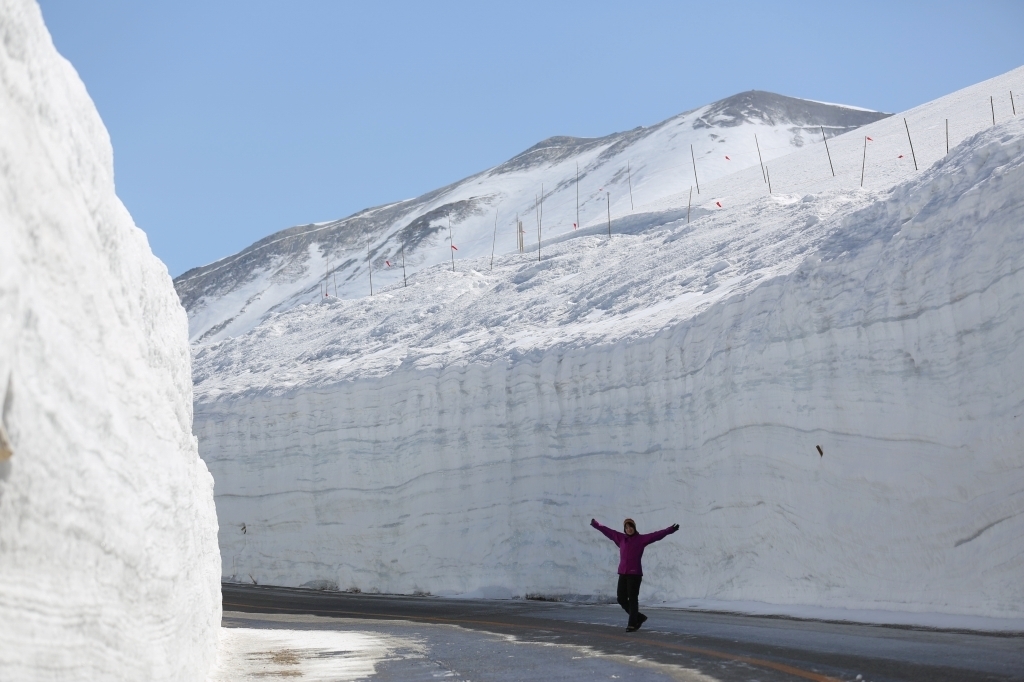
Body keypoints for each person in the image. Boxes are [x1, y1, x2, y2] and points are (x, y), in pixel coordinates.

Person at [591, 517, 679, 631]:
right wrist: (596, 524)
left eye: (630, 527)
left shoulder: (641, 539)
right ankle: (639, 617)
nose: (629, 529)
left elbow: (656, 535)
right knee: (621, 599)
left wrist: (670, 530)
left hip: (635, 573)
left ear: (634, 527)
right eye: (626, 527)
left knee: (632, 598)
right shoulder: (621, 538)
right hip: (623, 573)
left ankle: (632, 623)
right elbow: (607, 531)